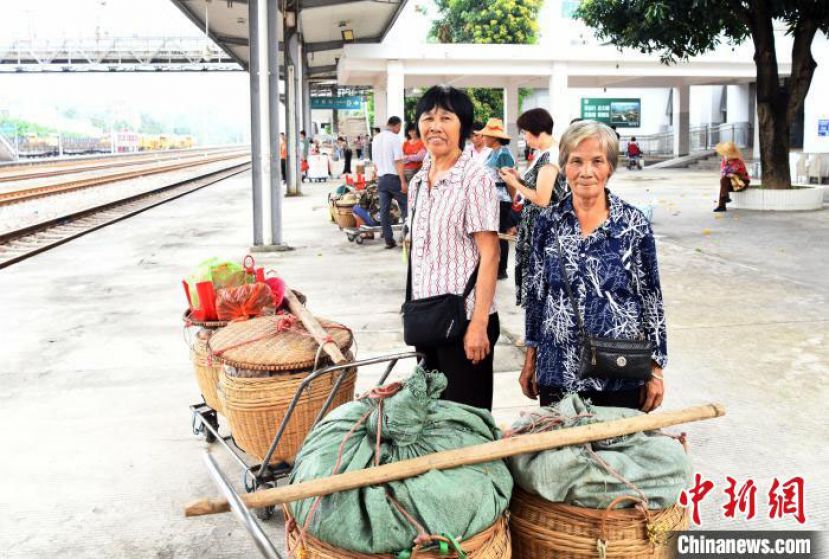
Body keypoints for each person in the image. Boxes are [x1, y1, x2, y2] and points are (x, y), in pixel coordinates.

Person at [520, 120, 667, 412]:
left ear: (610, 167)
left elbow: (651, 299)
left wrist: (656, 368)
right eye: (576, 161)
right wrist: (530, 358)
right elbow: (536, 296)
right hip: (557, 367)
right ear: (564, 166)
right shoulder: (547, 223)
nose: (586, 172)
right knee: (560, 442)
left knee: (616, 441)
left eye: (597, 161)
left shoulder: (633, 224)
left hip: (618, 371)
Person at [406, 85, 500, 410]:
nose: (435, 126)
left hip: (465, 323)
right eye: (428, 118)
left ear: (463, 126)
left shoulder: (475, 179)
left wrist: (479, 324)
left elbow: (491, 254)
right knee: (432, 419)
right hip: (427, 319)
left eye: (446, 118)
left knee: (466, 421)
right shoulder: (418, 182)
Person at [497, 108, 565, 307]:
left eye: (525, 133)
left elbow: (542, 199)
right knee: (534, 283)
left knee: (540, 284)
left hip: (543, 228)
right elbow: (536, 187)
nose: (525, 138)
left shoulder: (550, 157)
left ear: (536, 131)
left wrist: (514, 183)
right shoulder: (543, 153)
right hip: (536, 226)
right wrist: (518, 178)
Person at [479, 118, 516, 280]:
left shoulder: (504, 154)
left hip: (501, 200)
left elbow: (510, 181)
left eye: (486, 135)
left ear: (494, 137)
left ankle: (502, 269)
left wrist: (512, 199)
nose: (483, 138)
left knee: (500, 234)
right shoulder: (492, 152)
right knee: (492, 234)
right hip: (490, 199)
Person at [371, 116, 408, 248]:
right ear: (396, 125)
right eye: (400, 127)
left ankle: (388, 241)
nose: (400, 130)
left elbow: (375, 163)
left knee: (384, 211)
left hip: (381, 179)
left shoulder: (376, 138)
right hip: (393, 178)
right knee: (406, 206)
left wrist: (378, 177)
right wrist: (403, 182)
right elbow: (398, 161)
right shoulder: (394, 138)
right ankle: (407, 238)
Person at [714, 141, 750, 212]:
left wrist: (732, 174)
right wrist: (727, 174)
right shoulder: (724, 161)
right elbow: (723, 172)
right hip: (730, 183)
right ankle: (724, 200)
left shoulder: (739, 162)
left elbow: (742, 175)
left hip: (741, 183)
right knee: (723, 180)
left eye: (727, 153)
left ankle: (722, 203)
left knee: (724, 184)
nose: (725, 155)